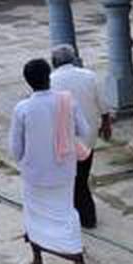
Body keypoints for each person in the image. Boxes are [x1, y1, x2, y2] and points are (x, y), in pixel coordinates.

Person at [8, 57, 90, 264]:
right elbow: (84, 130)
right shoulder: (67, 102)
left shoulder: (22, 108)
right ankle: (78, 261)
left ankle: (38, 260)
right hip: (64, 170)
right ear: (48, 76)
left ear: (28, 81)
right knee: (66, 213)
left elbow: (15, 149)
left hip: (34, 174)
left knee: (34, 215)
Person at [50, 44, 112, 229]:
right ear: (74, 59)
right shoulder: (89, 76)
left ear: (54, 63)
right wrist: (106, 124)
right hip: (88, 136)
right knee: (81, 176)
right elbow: (103, 104)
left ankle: (83, 216)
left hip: (63, 138)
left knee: (71, 180)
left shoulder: (50, 80)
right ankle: (85, 215)